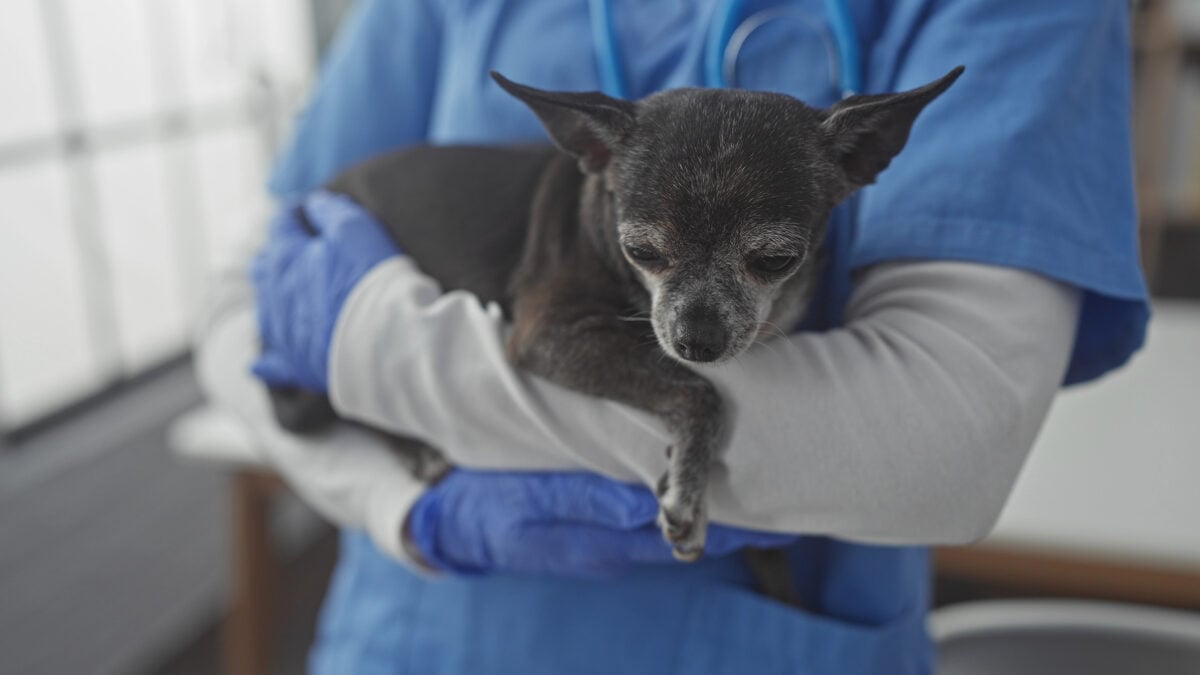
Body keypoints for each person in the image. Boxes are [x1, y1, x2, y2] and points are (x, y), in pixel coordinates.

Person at [195, 0, 1149, 672]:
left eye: (767, 257)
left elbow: (941, 445)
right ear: (592, 155)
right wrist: (389, 502)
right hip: (420, 633)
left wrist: (373, 353)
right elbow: (236, 312)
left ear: (866, 154)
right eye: (646, 253)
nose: (692, 324)